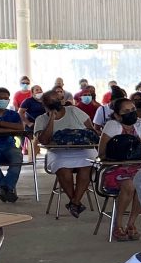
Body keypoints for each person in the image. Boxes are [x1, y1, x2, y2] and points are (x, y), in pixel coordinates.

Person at [35, 87, 98, 217]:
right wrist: (51, 119)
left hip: (83, 149)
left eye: (56, 100)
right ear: (44, 104)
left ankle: (74, 203)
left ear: (61, 100)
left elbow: (91, 131)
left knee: (87, 167)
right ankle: (75, 203)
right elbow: (45, 141)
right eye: (50, 101)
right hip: (58, 152)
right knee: (64, 171)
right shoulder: (41, 119)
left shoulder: (73, 111)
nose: (54, 103)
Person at [98, 96, 141, 241]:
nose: (131, 113)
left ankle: (131, 223)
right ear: (117, 115)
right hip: (114, 168)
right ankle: (118, 225)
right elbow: (102, 154)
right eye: (126, 111)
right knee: (129, 184)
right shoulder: (112, 126)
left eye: (133, 109)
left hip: (138, 168)